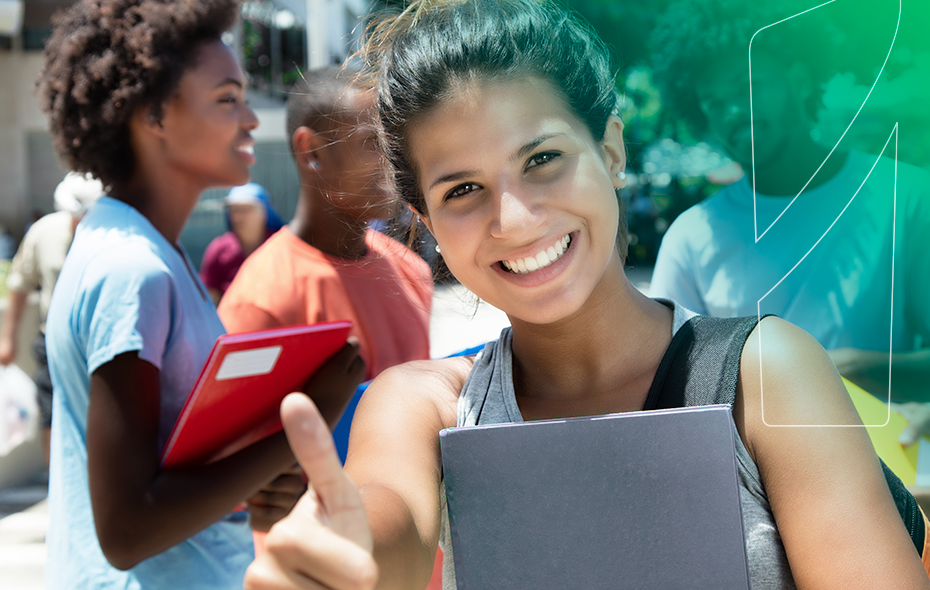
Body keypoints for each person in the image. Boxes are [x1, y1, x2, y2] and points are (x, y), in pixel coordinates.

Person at [243, 1, 930, 589]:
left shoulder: (765, 374)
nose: (514, 219)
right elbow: (385, 520)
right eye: (462, 191)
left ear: (611, 151)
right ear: (427, 225)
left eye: (543, 159)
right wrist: (347, 553)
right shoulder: (425, 408)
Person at [35, 0, 364, 587]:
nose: (251, 120)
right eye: (226, 98)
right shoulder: (133, 269)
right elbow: (128, 530)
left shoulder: (135, 247)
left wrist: (251, 486)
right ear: (153, 115)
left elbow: (167, 470)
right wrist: (311, 417)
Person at [648, 0, 930, 442]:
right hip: (749, 491)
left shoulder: (906, 197)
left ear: (799, 78)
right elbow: (662, 387)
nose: (733, 112)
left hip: (888, 472)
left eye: (749, 87)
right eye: (714, 102)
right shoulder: (691, 236)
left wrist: (860, 369)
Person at [217, 65, 432, 382]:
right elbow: (229, 429)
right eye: (373, 142)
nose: (395, 160)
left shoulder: (413, 273)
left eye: (395, 143)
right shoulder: (261, 304)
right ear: (312, 152)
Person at [0, 172, 104, 466]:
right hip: (53, 343)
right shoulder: (44, 232)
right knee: (52, 414)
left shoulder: (113, 234)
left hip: (99, 343)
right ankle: (56, 486)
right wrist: (7, 340)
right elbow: (19, 285)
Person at [199, 182, 284, 305]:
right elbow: (209, 297)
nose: (238, 216)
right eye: (234, 210)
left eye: (246, 209)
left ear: (265, 213)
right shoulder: (219, 249)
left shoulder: (281, 244)